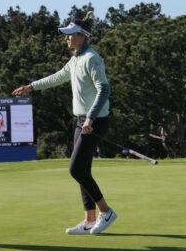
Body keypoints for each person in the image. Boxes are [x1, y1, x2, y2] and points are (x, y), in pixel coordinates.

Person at [13, 16, 117, 235]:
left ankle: (106, 212)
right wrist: (31, 86)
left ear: (82, 36)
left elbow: (104, 89)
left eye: (71, 34)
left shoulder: (91, 58)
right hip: (82, 121)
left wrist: (90, 118)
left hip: (94, 121)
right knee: (83, 170)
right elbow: (58, 77)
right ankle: (89, 219)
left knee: (76, 169)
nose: (67, 39)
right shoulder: (75, 59)